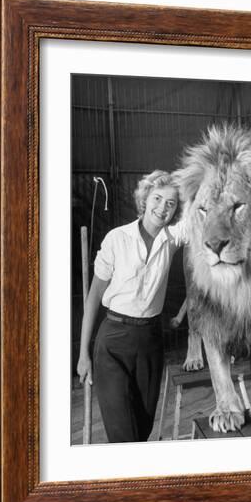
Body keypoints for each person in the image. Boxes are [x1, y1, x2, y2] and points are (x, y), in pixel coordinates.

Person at [77, 170, 185, 443]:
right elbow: (93, 297)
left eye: (171, 203)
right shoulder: (117, 238)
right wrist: (83, 353)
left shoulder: (172, 239)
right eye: (158, 198)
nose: (162, 207)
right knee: (123, 434)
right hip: (113, 341)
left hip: (150, 341)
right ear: (145, 198)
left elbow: (202, 213)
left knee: (142, 429)